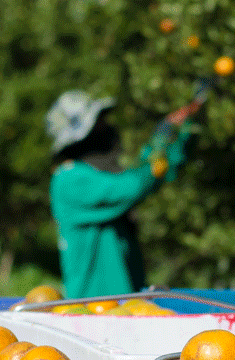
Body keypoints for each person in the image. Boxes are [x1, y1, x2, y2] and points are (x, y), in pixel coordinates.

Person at [46, 90, 199, 299]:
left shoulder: (94, 175)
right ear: (82, 137)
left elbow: (144, 175)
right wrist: (160, 139)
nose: (107, 128)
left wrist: (178, 133)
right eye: (98, 123)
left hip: (121, 306)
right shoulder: (69, 180)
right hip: (92, 308)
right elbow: (134, 185)